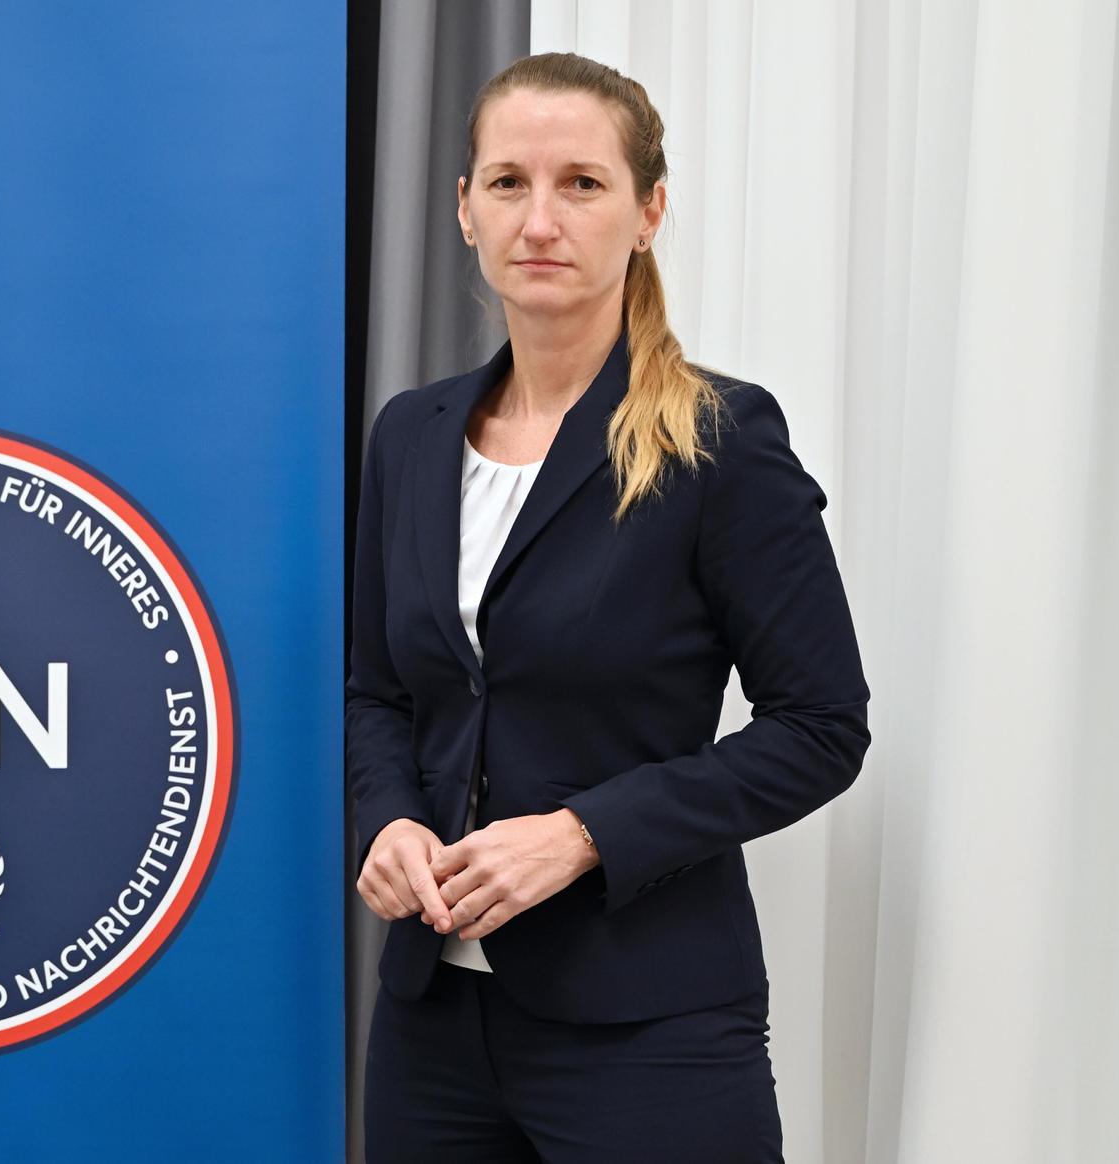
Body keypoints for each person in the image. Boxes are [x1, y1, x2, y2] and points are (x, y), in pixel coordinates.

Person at [346, 52, 871, 1162]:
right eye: (509, 183)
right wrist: (388, 821)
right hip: (430, 1026)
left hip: (650, 1027)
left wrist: (584, 836)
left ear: (649, 213)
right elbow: (379, 693)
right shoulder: (411, 435)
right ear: (465, 210)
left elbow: (821, 729)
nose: (540, 220)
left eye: (582, 183)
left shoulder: (721, 441)